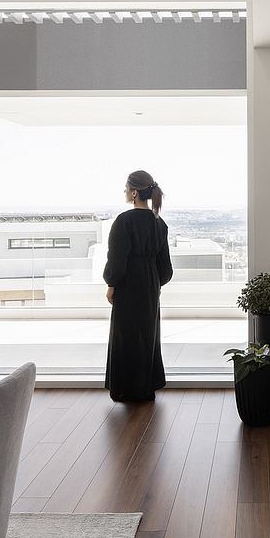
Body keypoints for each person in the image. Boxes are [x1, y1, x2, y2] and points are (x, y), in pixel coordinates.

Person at [103, 169, 174, 402]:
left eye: (126, 189)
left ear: (134, 192)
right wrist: (155, 282)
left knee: (125, 336)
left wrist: (111, 284)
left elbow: (116, 258)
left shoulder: (124, 221)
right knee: (147, 335)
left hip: (128, 284)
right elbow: (166, 267)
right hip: (151, 284)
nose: (124, 192)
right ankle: (146, 388)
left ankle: (125, 389)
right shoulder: (159, 223)